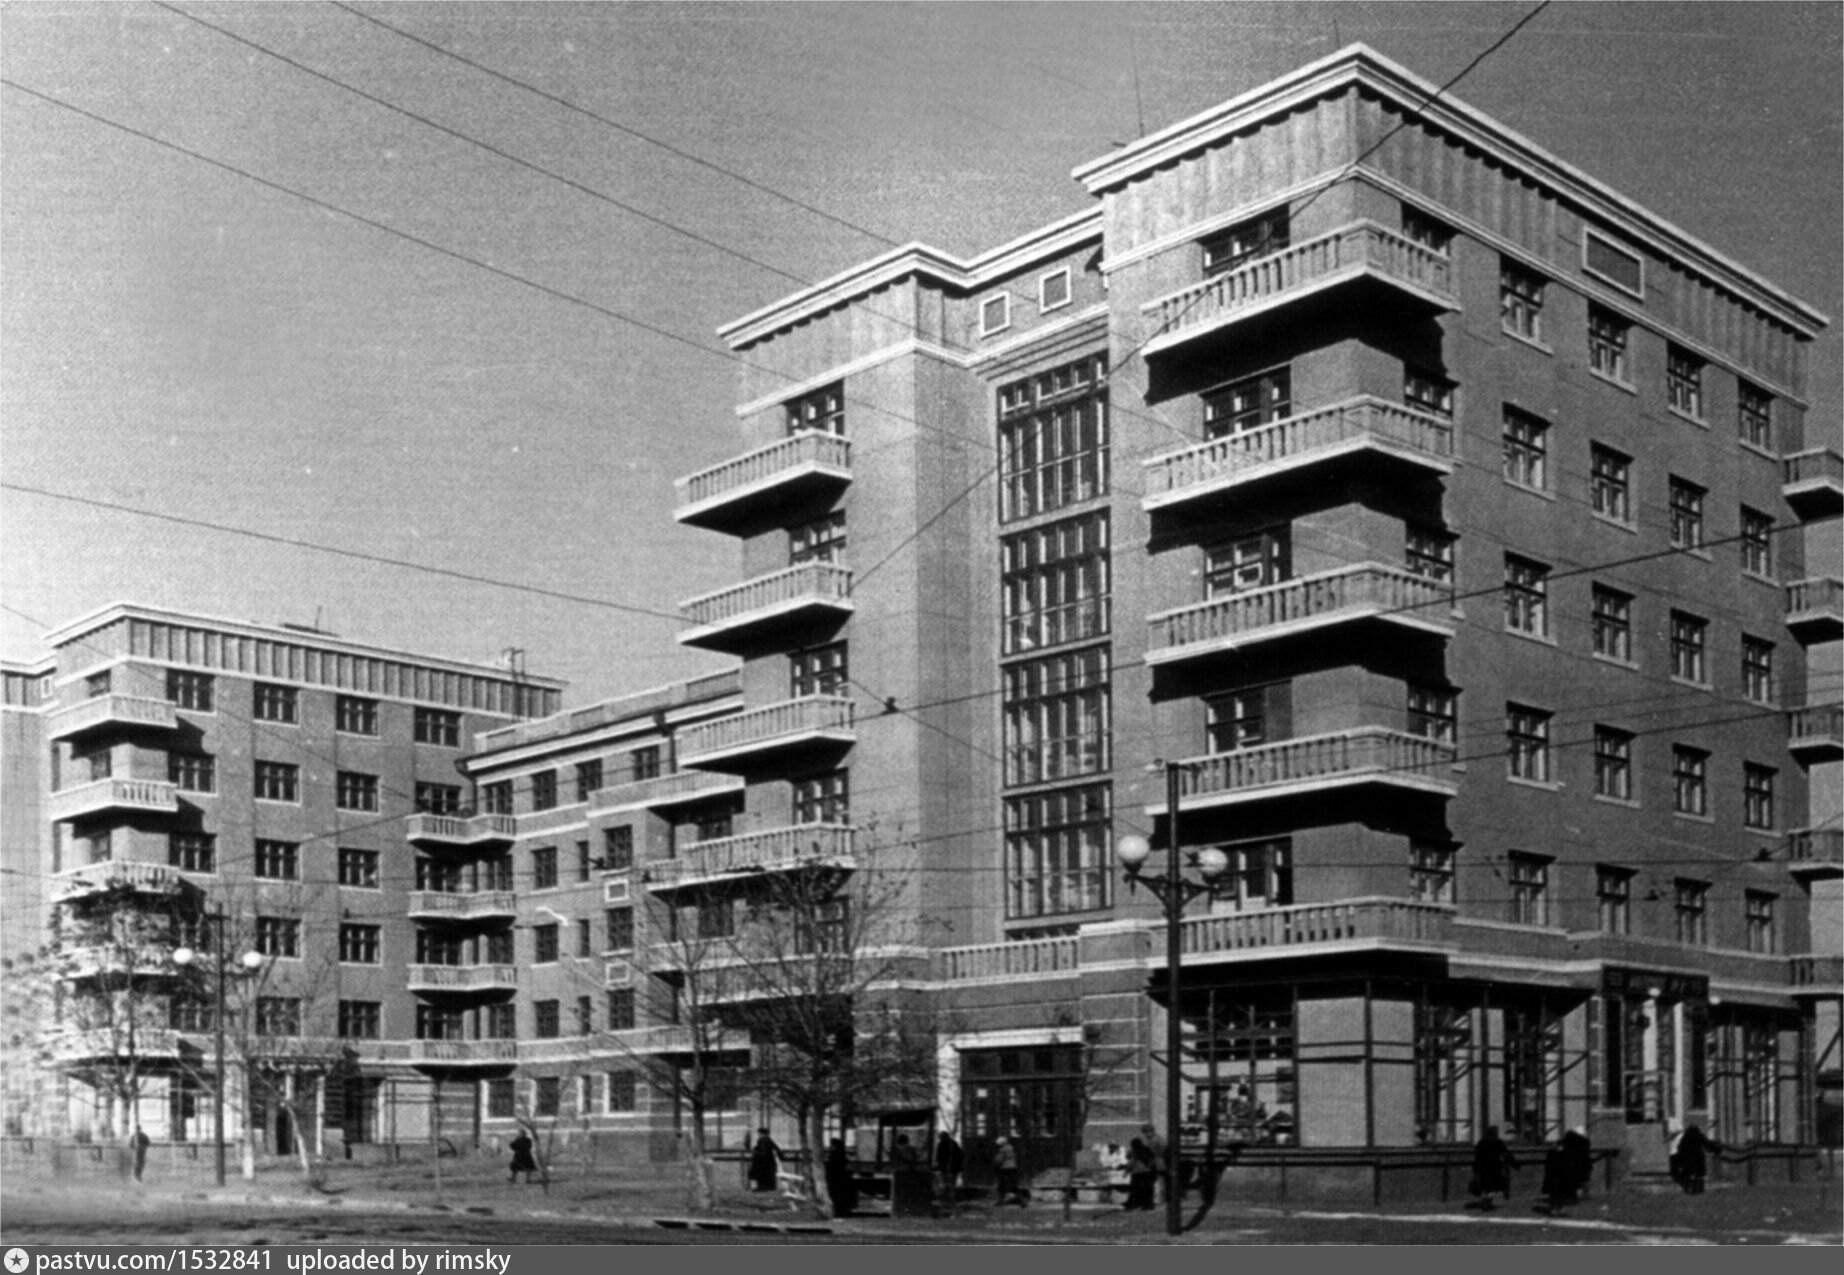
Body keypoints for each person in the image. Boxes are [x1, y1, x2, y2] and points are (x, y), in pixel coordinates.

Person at [1468, 1125, 1516, 1210]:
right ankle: (1487, 1202)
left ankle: (1486, 1202)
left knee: (1487, 1187)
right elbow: (1506, 1154)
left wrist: (1476, 1170)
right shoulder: (1498, 1142)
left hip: (1483, 1169)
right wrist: (1514, 1163)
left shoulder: (1482, 1143)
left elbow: (1477, 1158)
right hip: (1494, 1168)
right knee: (1495, 1187)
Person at [1669, 1122, 1718, 1195]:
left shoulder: (1685, 1138)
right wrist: (1717, 1150)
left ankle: (1688, 1185)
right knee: (1698, 1176)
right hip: (1698, 1162)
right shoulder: (1699, 1136)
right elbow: (1708, 1145)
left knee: (1685, 1175)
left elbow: (1679, 1148)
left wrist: (1678, 1159)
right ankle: (1698, 1188)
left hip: (1687, 1163)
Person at [824, 1137, 858, 1218]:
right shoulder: (842, 1154)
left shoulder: (833, 1155)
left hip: (835, 1178)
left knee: (836, 1196)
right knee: (841, 1196)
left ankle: (838, 1211)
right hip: (842, 1178)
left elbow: (830, 1166)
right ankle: (843, 1211)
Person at [1123, 1136, 1157, 1212]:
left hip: (1137, 1173)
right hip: (1147, 1172)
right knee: (1147, 1190)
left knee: (1135, 1190)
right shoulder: (1147, 1149)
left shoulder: (1135, 1151)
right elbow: (1152, 1160)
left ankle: (1134, 1204)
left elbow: (1132, 1162)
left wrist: (1126, 1172)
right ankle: (1148, 1205)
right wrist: (1150, 1168)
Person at [1140, 1123, 1168, 1204]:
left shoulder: (1155, 1140)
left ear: (1151, 1132)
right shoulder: (1157, 1139)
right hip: (1159, 1163)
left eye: (1146, 1132)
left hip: (1157, 1163)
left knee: (1157, 1182)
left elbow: (1153, 1152)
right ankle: (1159, 1199)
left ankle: (1158, 1199)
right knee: (1159, 1181)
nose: (1146, 1135)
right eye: (1145, 1133)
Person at [749, 1127, 782, 1193]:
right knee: (766, 1176)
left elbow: (762, 1151)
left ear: (761, 1134)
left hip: (762, 1163)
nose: (758, 1135)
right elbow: (777, 1150)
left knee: (757, 1175)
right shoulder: (769, 1140)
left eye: (759, 1134)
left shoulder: (763, 1140)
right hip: (768, 1163)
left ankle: (760, 1188)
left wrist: (755, 1152)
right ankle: (766, 1187)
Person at [993, 1136, 1024, 1206]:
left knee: (1001, 1185)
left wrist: (995, 1165)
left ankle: (1000, 1201)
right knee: (1013, 1186)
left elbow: (998, 1160)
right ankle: (1022, 1201)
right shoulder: (1011, 1148)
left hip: (1004, 1169)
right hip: (1013, 1168)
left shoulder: (1002, 1149)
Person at [935, 1130, 965, 1198]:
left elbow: (939, 1156)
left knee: (946, 1181)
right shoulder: (953, 1143)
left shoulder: (942, 1145)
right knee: (951, 1181)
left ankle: (947, 1193)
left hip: (947, 1166)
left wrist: (939, 1164)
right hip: (953, 1166)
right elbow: (961, 1154)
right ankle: (950, 1193)